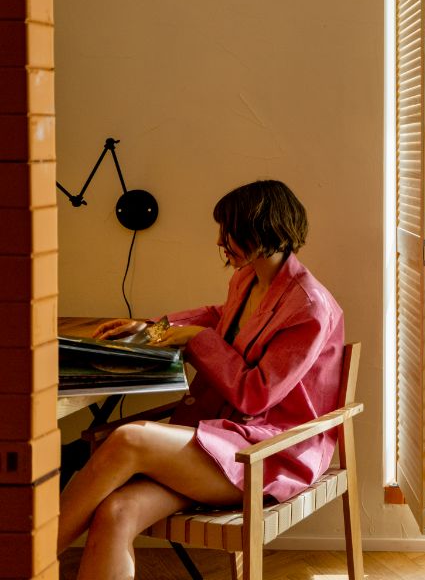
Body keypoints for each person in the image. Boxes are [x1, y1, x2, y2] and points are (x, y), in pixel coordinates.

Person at [59, 179, 345, 580]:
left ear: (262, 229)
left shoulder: (309, 308)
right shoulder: (248, 279)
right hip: (220, 440)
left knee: (127, 438)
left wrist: (196, 340)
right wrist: (151, 329)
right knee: (116, 512)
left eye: (228, 231)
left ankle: (24, 561)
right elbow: (217, 315)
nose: (219, 241)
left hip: (268, 454)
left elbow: (254, 394)